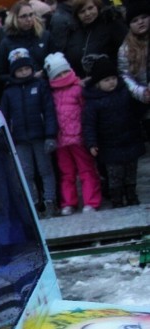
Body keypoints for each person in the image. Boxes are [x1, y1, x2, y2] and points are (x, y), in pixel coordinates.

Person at [1, 47, 60, 218]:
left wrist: (51, 135)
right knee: (26, 173)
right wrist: (7, 138)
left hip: (40, 136)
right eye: (20, 70)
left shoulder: (40, 85)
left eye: (26, 68)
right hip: (19, 139)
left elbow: (49, 111)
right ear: (14, 72)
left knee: (45, 170)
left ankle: (50, 201)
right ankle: (33, 203)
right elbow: (4, 116)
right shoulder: (9, 91)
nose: (24, 72)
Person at [83, 55, 145, 207]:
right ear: (97, 84)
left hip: (131, 140)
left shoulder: (125, 92)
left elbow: (137, 110)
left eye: (113, 78)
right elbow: (89, 125)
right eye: (106, 80)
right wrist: (91, 143)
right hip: (109, 146)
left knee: (131, 174)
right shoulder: (93, 103)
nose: (111, 82)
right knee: (115, 176)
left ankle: (131, 196)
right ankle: (116, 200)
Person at [44, 51, 102, 214]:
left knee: (86, 170)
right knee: (66, 173)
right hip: (61, 141)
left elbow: (87, 113)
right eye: (58, 74)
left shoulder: (78, 89)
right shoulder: (51, 94)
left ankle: (91, 201)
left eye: (65, 72)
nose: (63, 76)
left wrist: (88, 135)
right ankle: (68, 202)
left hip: (78, 138)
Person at [62, 0, 127, 78]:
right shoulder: (73, 31)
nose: (87, 14)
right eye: (82, 12)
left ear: (97, 6)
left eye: (90, 8)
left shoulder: (110, 24)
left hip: (108, 80)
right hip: (81, 82)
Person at [0, 1, 53, 86]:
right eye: (23, 16)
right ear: (15, 18)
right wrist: (19, 77)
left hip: (46, 87)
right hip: (21, 91)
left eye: (31, 14)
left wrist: (44, 72)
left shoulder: (45, 36)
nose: (29, 19)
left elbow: (55, 60)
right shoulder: (6, 43)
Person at [118, 1, 150, 122]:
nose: (140, 22)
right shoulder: (125, 49)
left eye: (144, 17)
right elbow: (125, 75)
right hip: (144, 105)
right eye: (135, 20)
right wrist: (141, 93)